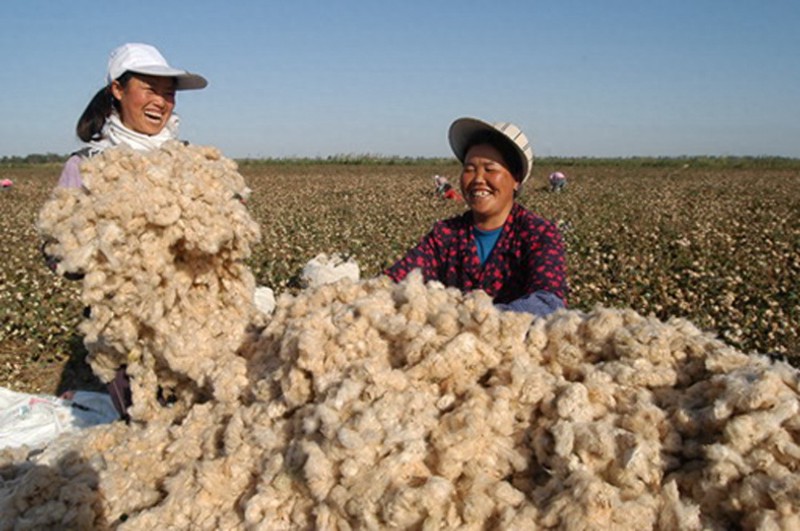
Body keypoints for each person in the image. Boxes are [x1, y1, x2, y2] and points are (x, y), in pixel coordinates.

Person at [47, 43, 207, 419]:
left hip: (190, 317)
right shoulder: (86, 165)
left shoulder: (190, 161)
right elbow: (55, 248)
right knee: (144, 422)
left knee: (198, 417)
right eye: (150, 89)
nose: (161, 102)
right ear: (118, 90)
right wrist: (99, 252)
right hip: (122, 325)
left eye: (168, 93)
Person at [385, 117, 568, 317]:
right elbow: (396, 280)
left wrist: (481, 321)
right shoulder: (445, 235)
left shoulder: (538, 235)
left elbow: (548, 301)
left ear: (516, 179)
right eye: (469, 169)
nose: (478, 179)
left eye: (490, 169)